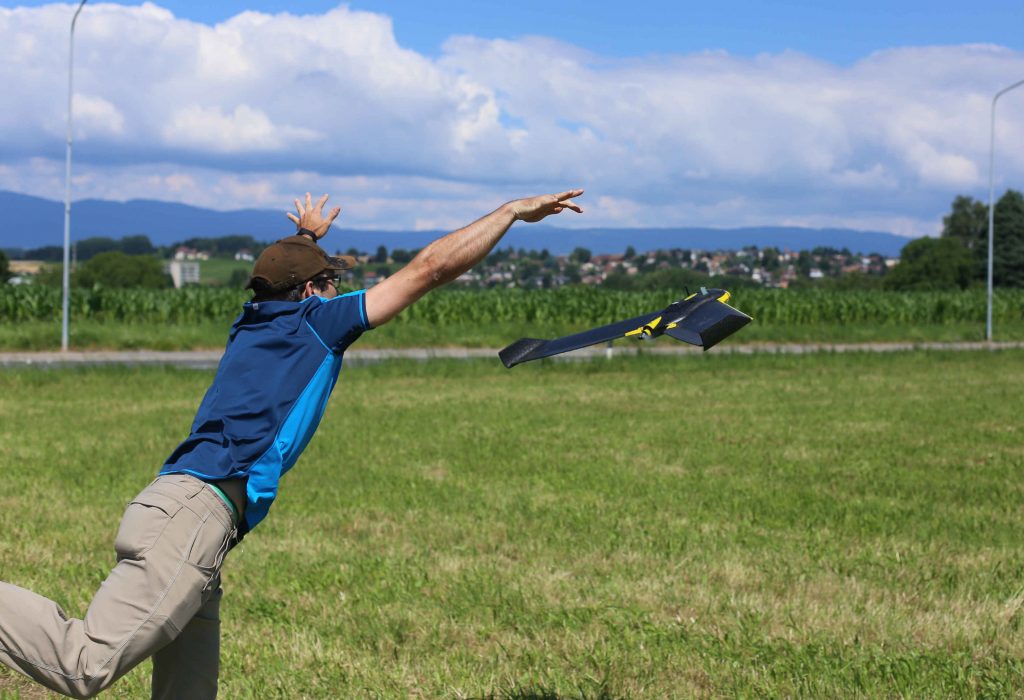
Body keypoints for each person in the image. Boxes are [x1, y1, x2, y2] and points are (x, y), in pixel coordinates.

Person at [0, 188, 584, 699]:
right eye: (332, 282)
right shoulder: (315, 322)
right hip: (191, 519)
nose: (341, 291)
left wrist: (304, 236)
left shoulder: (253, 321)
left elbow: (277, 274)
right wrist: (509, 212)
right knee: (83, 666)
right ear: (310, 291)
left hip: (188, 515)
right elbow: (428, 270)